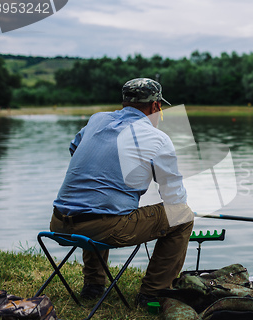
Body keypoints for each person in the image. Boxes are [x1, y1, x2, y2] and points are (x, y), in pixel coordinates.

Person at [50, 78, 194, 307]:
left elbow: (74, 147)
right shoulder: (157, 138)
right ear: (156, 106)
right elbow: (174, 198)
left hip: (59, 223)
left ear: (125, 102)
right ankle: (152, 293)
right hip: (103, 229)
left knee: (99, 207)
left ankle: (94, 285)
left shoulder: (97, 119)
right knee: (183, 215)